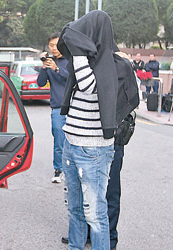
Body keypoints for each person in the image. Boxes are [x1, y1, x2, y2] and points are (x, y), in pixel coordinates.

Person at [57, 10, 119, 250]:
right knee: (74, 208)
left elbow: (88, 86)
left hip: (92, 148)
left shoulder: (110, 63)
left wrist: (79, 53)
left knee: (94, 213)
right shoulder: (84, 59)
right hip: (71, 142)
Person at [37, 32, 69, 183]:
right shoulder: (49, 63)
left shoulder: (70, 61)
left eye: (57, 45)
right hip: (57, 109)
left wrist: (57, 69)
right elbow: (41, 83)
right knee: (58, 141)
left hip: (74, 109)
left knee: (74, 142)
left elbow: (71, 79)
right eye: (51, 46)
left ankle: (72, 169)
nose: (54, 48)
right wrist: (44, 67)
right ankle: (58, 170)